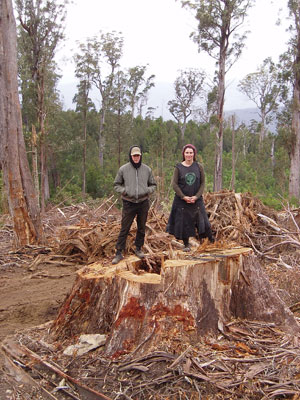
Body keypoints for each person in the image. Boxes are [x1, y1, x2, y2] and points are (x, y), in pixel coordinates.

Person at [112, 145, 157, 264]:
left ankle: (138, 248)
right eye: (134, 156)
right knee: (124, 228)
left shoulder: (147, 169)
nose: (136, 158)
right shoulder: (123, 169)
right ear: (131, 156)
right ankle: (119, 252)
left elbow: (153, 185)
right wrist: (125, 191)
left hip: (143, 202)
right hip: (129, 203)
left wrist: (147, 191)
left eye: (138, 155)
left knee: (141, 227)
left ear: (140, 156)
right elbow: (116, 184)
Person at [166, 144, 214, 251]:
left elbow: (202, 183)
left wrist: (196, 196)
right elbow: (174, 184)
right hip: (182, 200)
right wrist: (183, 197)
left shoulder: (199, 167)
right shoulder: (178, 167)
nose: (189, 155)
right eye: (187, 152)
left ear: (194, 154)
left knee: (204, 221)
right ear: (183, 154)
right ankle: (186, 244)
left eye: (191, 153)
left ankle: (210, 241)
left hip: (196, 200)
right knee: (184, 222)